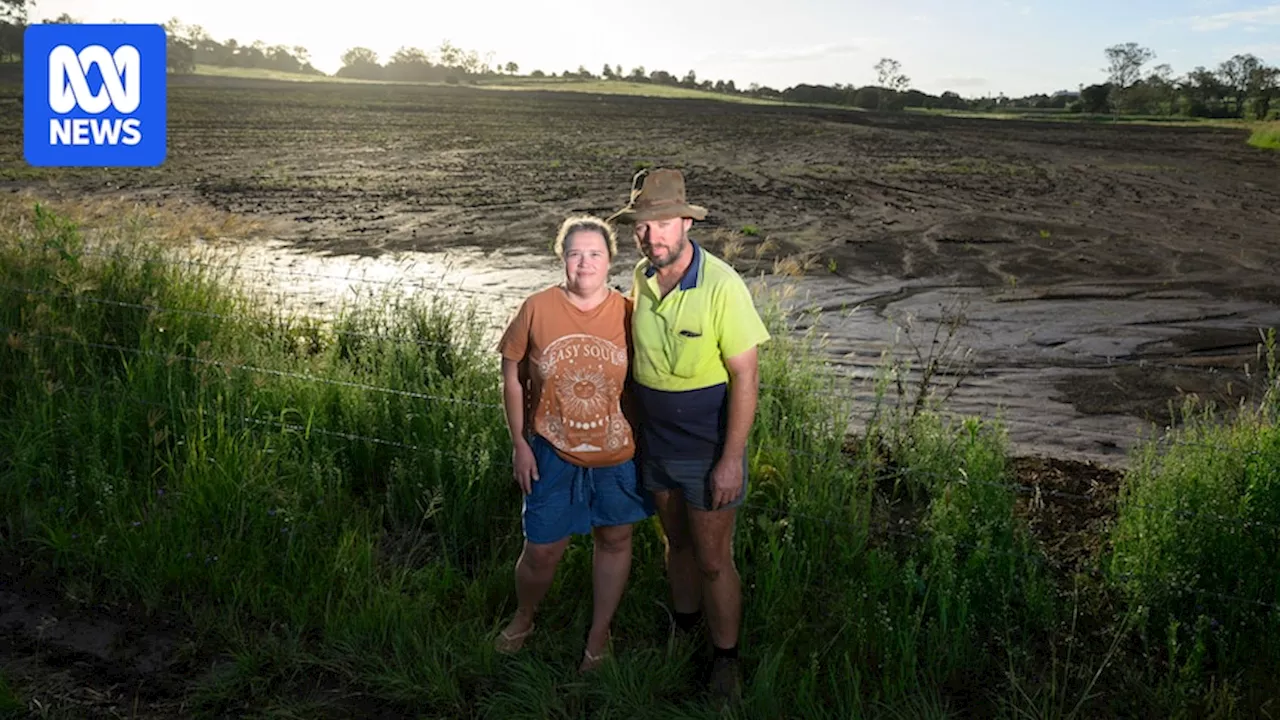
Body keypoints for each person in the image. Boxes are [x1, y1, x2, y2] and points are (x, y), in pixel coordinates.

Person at [607, 168, 771, 702]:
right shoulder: (639, 276)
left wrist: (731, 460)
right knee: (674, 543)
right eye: (640, 226)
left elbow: (746, 375)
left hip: (707, 445)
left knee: (713, 557)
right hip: (655, 442)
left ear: (684, 221)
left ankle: (726, 661)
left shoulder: (722, 284)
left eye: (660, 224)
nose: (650, 236)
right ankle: (683, 630)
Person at [493, 214, 655, 674]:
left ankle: (598, 637)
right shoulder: (537, 308)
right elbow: (510, 372)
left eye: (595, 254)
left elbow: (650, 376)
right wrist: (520, 444)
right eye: (576, 253)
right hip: (550, 451)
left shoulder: (627, 311)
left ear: (610, 261)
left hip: (617, 454)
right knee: (542, 547)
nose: (585, 263)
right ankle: (525, 617)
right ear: (562, 258)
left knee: (615, 538)